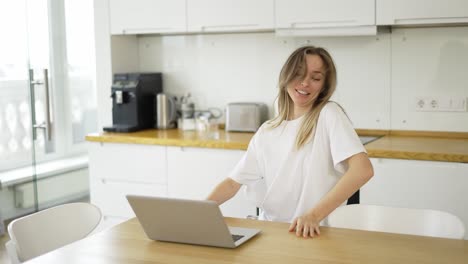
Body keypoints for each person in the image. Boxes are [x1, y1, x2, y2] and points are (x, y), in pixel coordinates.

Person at [207, 46, 374, 238]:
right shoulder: (267, 131)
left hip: (315, 232)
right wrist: (200, 209)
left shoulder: (328, 114)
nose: (305, 83)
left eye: (316, 78)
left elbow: (363, 170)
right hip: (273, 232)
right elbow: (232, 183)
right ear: (286, 76)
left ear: (324, 86)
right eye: (298, 74)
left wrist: (313, 216)